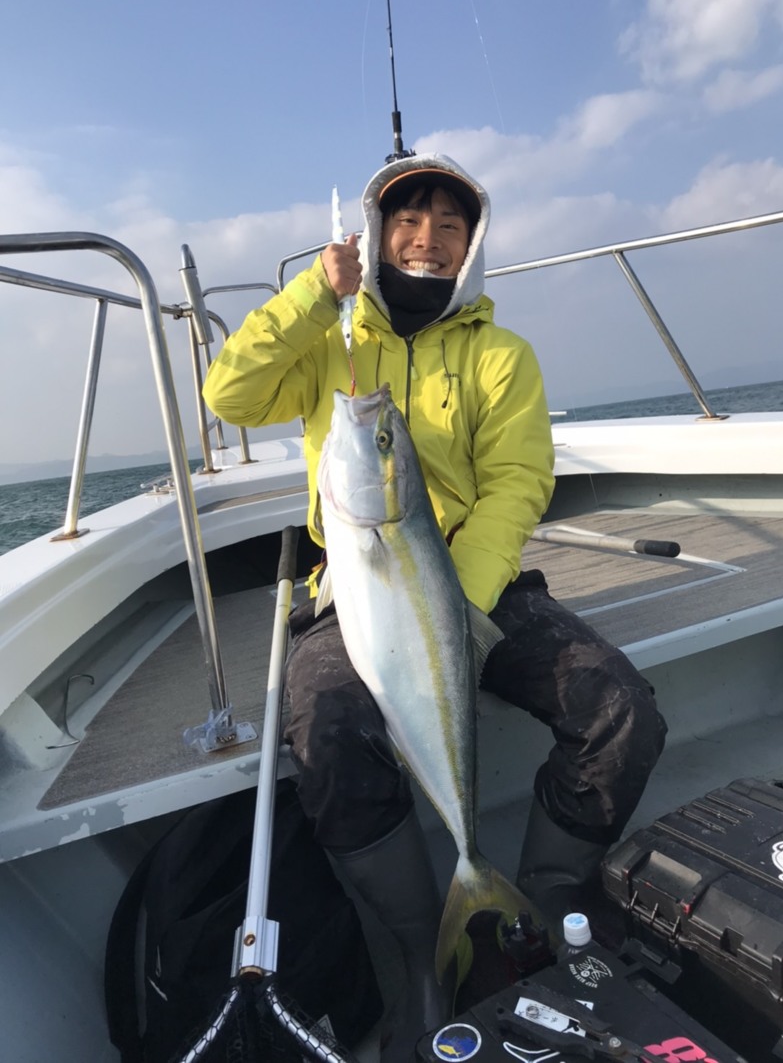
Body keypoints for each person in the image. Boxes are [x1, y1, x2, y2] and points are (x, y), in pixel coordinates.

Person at [202, 153, 667, 1059]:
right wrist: (307, 297)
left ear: (471, 248)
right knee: (325, 725)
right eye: (407, 222)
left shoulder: (501, 356)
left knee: (619, 708)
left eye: (448, 227)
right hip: (356, 590)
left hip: (478, 588)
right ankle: (424, 952)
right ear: (375, 239)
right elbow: (230, 393)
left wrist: (458, 602)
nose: (426, 239)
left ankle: (536, 906)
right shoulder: (330, 343)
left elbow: (517, 482)